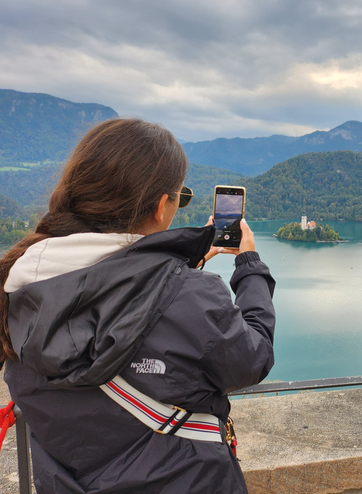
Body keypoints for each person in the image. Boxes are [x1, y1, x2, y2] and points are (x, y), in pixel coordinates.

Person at [0, 118, 276, 493]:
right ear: (162, 205)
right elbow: (253, 357)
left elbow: (103, 298)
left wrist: (184, 269)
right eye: (182, 196)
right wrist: (250, 267)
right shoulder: (193, 299)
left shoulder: (22, 286)